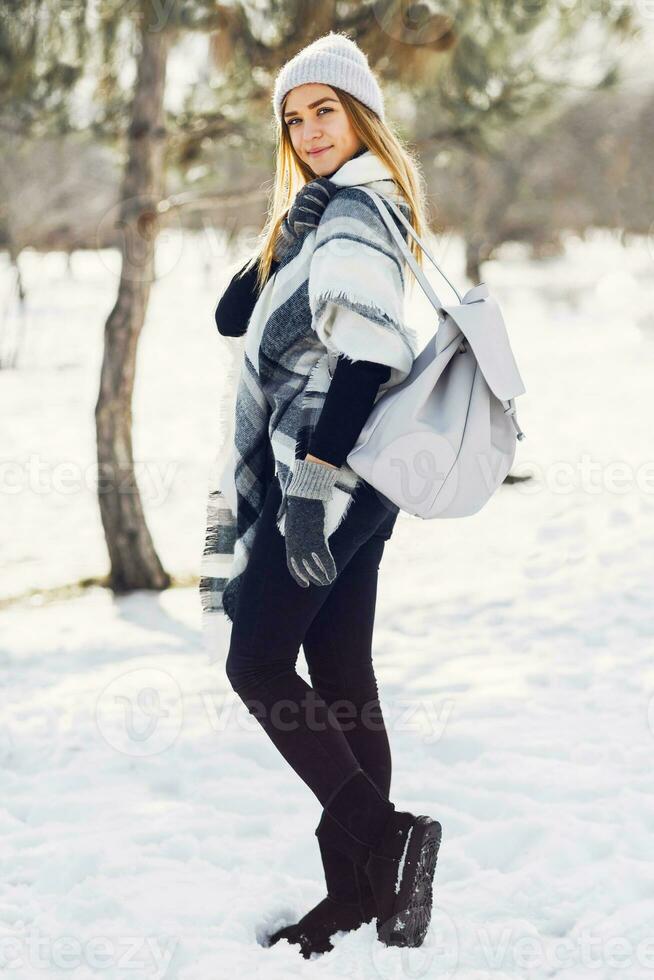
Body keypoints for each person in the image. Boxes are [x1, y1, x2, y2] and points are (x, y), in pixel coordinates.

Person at [204, 32, 443, 957]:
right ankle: (356, 896)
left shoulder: (355, 213)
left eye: (325, 111)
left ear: (362, 116)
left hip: (328, 481)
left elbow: (370, 351)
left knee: (256, 666)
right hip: (362, 483)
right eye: (293, 118)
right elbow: (232, 315)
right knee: (341, 677)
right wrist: (285, 233)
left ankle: (383, 844)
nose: (307, 130)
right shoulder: (337, 209)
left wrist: (311, 482)